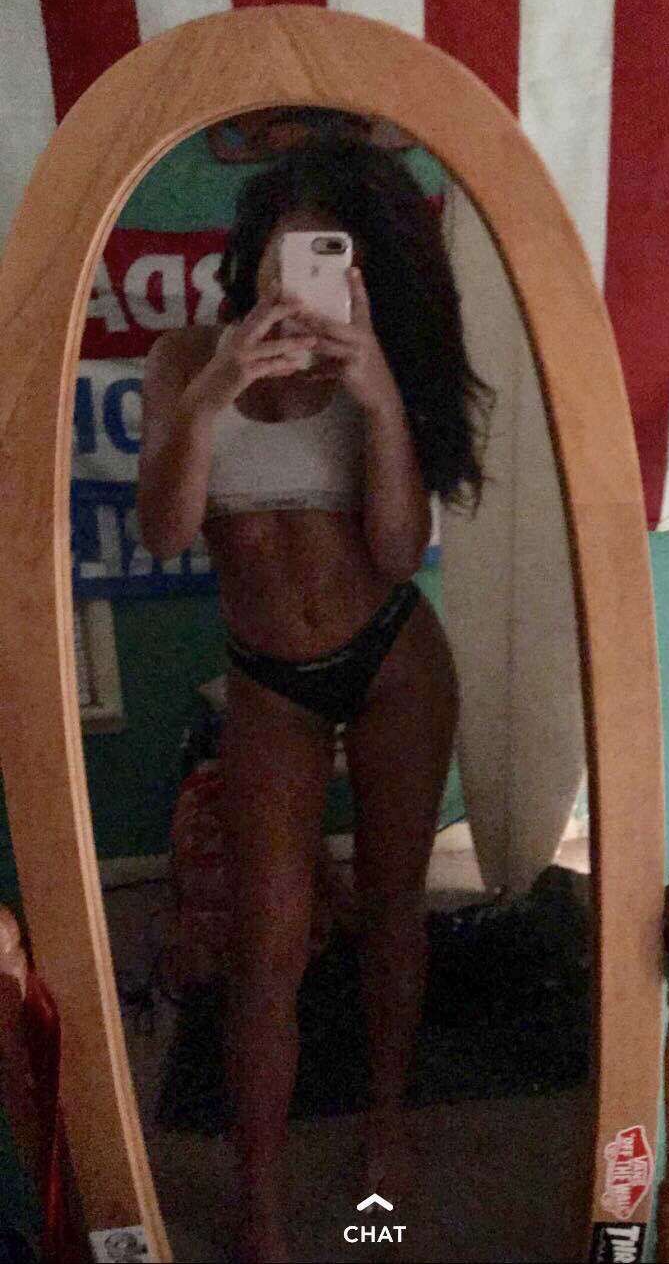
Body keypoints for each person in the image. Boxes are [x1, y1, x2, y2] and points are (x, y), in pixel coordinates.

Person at [137, 135, 494, 1264]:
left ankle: (386, 1119)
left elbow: (393, 552)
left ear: (362, 273)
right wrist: (214, 393)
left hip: (393, 660)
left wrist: (379, 400)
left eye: (329, 262)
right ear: (250, 259)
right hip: (268, 683)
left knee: (392, 906)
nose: (300, 287)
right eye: (281, 259)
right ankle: (262, 1201)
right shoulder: (186, 357)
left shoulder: (381, 367)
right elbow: (165, 531)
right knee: (267, 949)